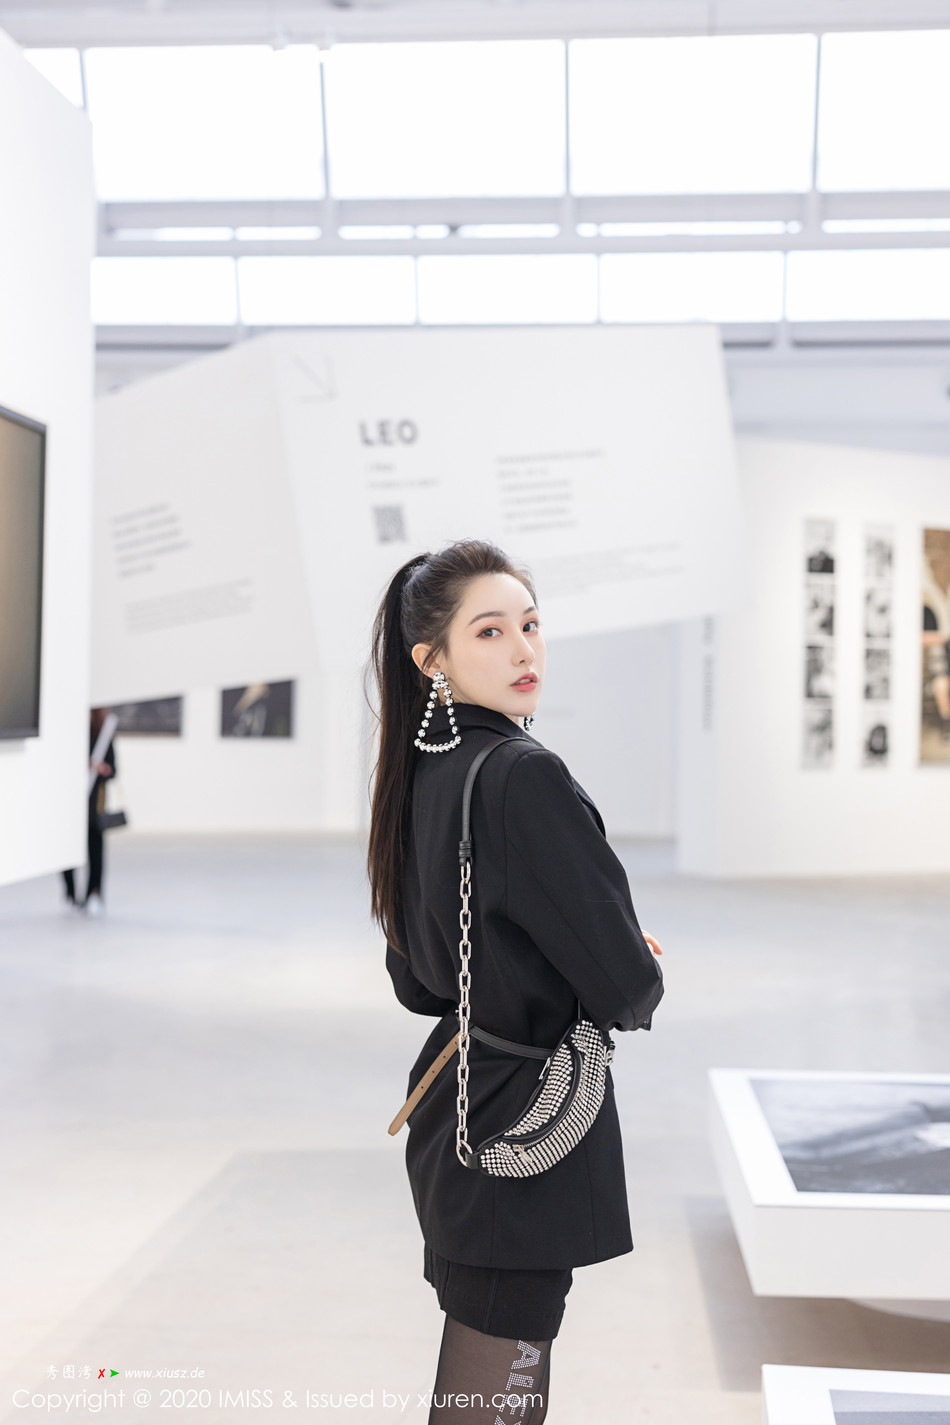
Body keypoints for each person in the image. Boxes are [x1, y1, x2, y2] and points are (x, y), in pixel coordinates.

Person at [366, 540, 665, 1423]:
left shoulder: (421, 770)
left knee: (484, 1367)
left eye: (530, 625)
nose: (524, 650)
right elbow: (626, 987)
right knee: (497, 1391)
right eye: (490, 631)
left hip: (460, 1110)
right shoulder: (522, 774)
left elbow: (422, 983)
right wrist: (629, 956)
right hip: (523, 1129)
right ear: (433, 658)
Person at [63, 707, 117, 915]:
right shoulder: (74, 734)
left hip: (94, 805)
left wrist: (99, 768)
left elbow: (113, 770)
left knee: (95, 851)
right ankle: (70, 893)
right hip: (72, 802)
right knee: (68, 849)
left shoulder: (104, 735)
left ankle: (94, 893)